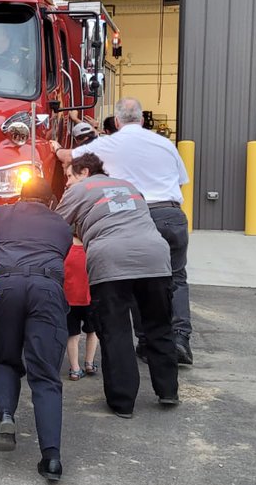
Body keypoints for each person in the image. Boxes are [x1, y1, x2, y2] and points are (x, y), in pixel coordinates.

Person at [56, 97, 194, 365]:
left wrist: (56, 147)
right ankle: (179, 339)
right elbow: (181, 180)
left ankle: (144, 341)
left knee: (136, 279)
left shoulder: (109, 143)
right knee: (176, 278)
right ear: (142, 120)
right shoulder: (165, 144)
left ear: (117, 122)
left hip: (134, 215)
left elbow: (69, 157)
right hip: (172, 215)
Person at [56, 152, 179, 417]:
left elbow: (54, 227)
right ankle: (168, 391)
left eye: (68, 176)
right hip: (155, 258)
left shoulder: (80, 190)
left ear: (84, 172)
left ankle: (122, 402)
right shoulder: (129, 186)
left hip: (111, 262)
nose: (66, 183)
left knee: (116, 330)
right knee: (159, 325)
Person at [0, 174, 73, 483]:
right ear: (51, 202)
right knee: (45, 374)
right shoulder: (61, 224)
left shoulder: (2, 212)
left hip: (6, 284)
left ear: (20, 196)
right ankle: (51, 459)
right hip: (46, 289)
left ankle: (6, 413)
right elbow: (59, 254)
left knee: (7, 359)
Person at [63, 236, 98, 379]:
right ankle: (89, 363)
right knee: (93, 332)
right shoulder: (91, 248)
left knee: (72, 335)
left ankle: (75, 369)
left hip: (69, 299)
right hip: (90, 297)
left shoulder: (64, 250)